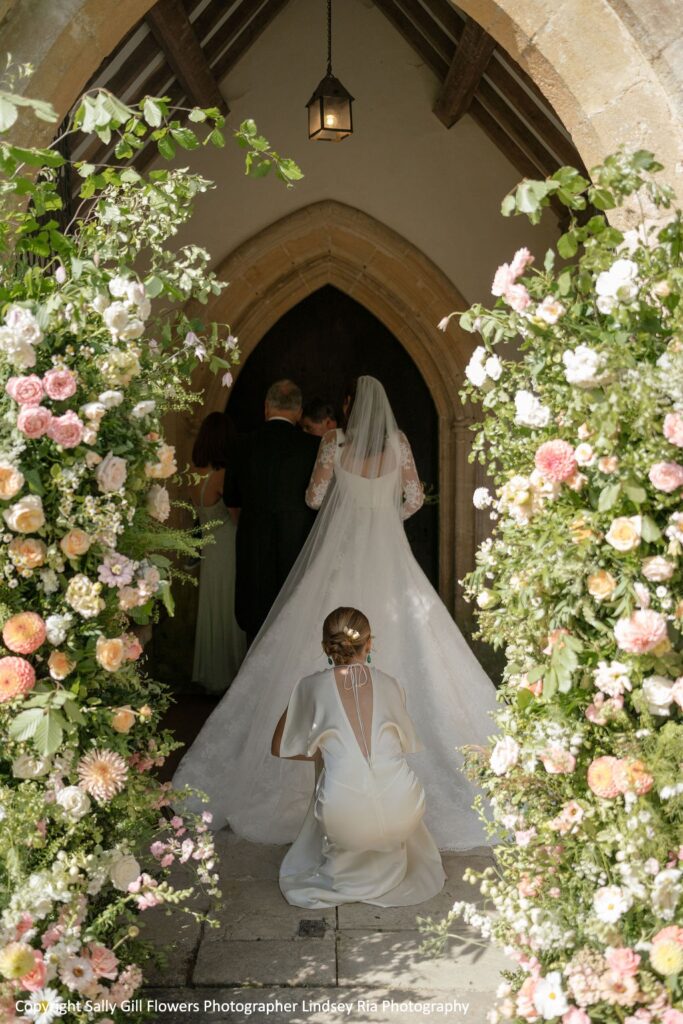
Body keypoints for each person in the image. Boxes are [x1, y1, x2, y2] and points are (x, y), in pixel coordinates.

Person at [174, 376, 497, 851]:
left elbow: (314, 499)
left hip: (341, 556)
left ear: (348, 407)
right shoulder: (400, 443)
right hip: (390, 553)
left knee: (299, 643)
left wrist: (349, 506)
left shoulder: (332, 443)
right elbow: (412, 498)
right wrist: (383, 515)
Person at [273, 606, 445, 908]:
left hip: (343, 816)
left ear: (326, 646)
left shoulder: (310, 686)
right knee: (379, 773)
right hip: (404, 808)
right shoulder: (392, 684)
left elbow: (279, 746)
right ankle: (384, 853)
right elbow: (399, 747)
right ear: (369, 643)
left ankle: (349, 853)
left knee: (336, 769)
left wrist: (326, 754)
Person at [223, 379, 319, 644]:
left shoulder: (242, 445)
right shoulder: (313, 447)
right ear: (299, 412)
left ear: (266, 407)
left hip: (253, 548)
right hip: (297, 549)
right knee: (294, 627)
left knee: (255, 626)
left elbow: (231, 500)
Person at [191, 412, 246, 693]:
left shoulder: (194, 474)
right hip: (228, 548)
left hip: (208, 549)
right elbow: (238, 517)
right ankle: (230, 675)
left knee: (212, 607)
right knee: (228, 608)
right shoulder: (222, 476)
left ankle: (213, 674)